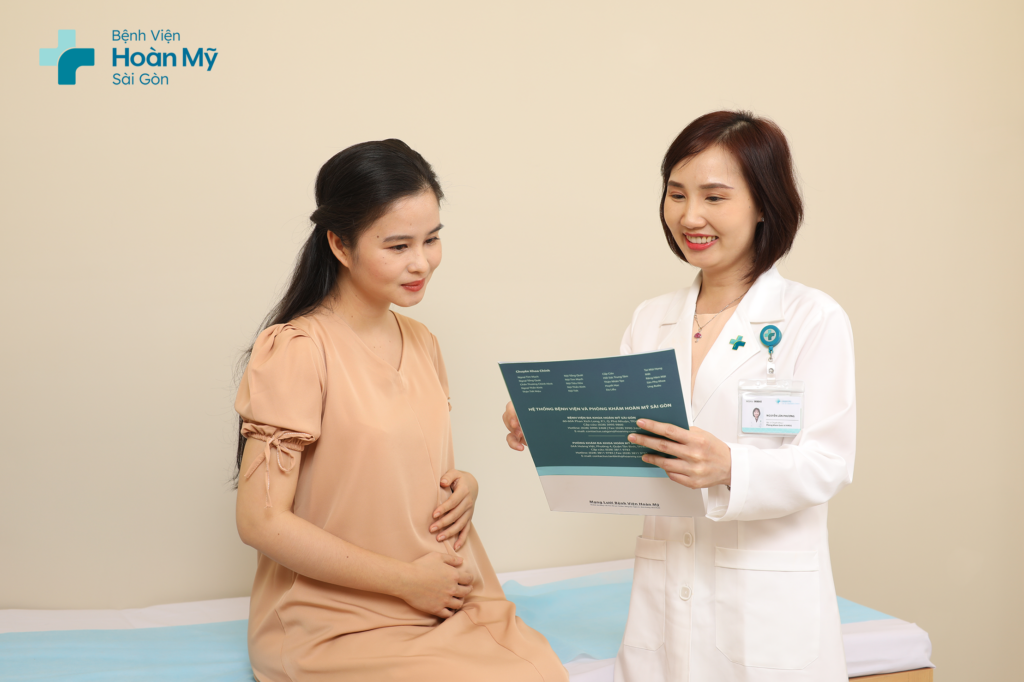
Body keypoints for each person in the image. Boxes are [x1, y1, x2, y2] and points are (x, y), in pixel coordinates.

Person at [503, 111, 856, 681]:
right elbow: (628, 449)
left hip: (764, 608)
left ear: (763, 204)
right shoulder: (651, 320)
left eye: (714, 196)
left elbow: (828, 463)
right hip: (665, 601)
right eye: (677, 194)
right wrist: (549, 424)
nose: (690, 216)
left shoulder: (810, 317)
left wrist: (730, 467)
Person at [234, 139, 568, 682]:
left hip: (444, 596)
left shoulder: (422, 341)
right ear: (340, 245)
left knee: (540, 673)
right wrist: (406, 582)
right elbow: (260, 521)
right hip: (333, 618)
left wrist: (464, 486)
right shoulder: (297, 349)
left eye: (432, 239)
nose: (421, 262)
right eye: (398, 246)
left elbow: (399, 466)